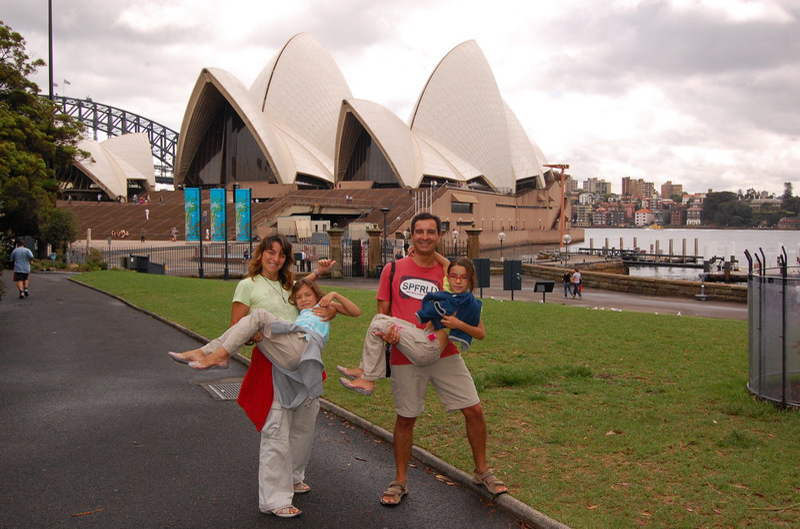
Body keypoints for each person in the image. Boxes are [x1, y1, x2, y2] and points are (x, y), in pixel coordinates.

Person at [337, 213, 507, 505]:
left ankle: (482, 471)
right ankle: (399, 481)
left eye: (431, 232)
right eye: (419, 232)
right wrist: (389, 335)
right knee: (406, 418)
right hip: (406, 353)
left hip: (445, 353)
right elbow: (384, 312)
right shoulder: (393, 269)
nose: (425, 236)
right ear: (410, 235)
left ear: (439, 236)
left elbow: (465, 296)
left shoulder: (448, 272)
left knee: (474, 410)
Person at [168, 235, 336, 518]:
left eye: (282, 254)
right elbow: (238, 326)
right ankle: (275, 499)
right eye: (270, 252)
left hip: (302, 358)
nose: (276, 258)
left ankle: (294, 477)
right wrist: (253, 336)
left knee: (304, 428)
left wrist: (320, 279)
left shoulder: (288, 284)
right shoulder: (247, 285)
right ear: (260, 254)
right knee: (277, 431)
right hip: (272, 364)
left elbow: (305, 293)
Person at [340, 256, 484, 397]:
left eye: (464, 278)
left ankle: (368, 379)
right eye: (453, 276)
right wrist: (422, 250)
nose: (458, 281)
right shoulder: (449, 291)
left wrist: (459, 324)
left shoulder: (469, 303)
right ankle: (364, 370)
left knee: (379, 324)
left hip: (430, 348)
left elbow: (480, 333)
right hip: (424, 337)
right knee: (379, 319)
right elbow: (448, 263)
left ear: (470, 279)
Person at [168, 278, 360, 373]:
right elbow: (298, 286)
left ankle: (218, 356)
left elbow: (356, 312)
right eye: (299, 297)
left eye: (308, 295)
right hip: (289, 355)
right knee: (248, 322)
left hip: (304, 347)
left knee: (258, 315)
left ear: (317, 295)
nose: (303, 300)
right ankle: (206, 351)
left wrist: (334, 295)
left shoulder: (323, 306)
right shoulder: (300, 313)